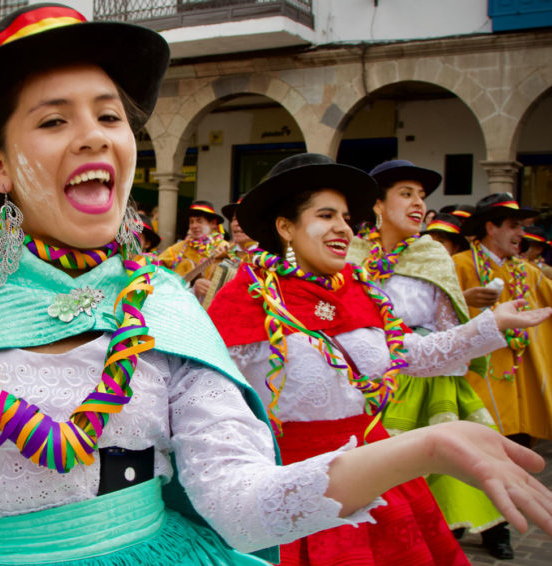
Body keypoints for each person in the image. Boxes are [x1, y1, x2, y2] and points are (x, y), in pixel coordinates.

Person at [0, 7, 552, 566]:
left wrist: (425, 447)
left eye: (108, 115)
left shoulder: (166, 303)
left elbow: (244, 506)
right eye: (52, 118)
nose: (93, 137)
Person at [208, 152, 552, 565]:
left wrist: (487, 324)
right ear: (285, 226)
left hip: (378, 473)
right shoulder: (245, 297)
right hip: (294, 486)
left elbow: (409, 356)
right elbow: (215, 402)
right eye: (326, 215)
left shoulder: (361, 291)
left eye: (346, 217)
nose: (343, 228)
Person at [346, 160, 510, 558]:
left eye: (421, 196)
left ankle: (465, 539)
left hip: (422, 384)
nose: (419, 203)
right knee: (367, 482)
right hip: (363, 380)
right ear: (379, 205)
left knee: (427, 481)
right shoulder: (352, 252)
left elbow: (447, 327)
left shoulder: (433, 255)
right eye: (406, 194)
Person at [453, 194, 552, 446]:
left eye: (522, 226)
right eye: (514, 226)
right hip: (476, 387)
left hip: (520, 391)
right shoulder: (458, 265)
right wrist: (464, 298)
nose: (522, 233)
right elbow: (430, 316)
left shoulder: (528, 272)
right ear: (490, 228)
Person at [157, 200, 230, 302]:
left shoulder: (223, 247)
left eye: (199, 221)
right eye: (191, 222)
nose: (194, 226)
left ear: (213, 223)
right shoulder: (179, 247)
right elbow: (157, 266)